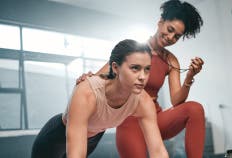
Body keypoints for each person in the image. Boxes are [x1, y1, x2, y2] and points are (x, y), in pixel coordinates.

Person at [77, 0, 205, 157]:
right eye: (169, 29)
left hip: (157, 119)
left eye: (176, 36)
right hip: (130, 119)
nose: (170, 37)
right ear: (160, 23)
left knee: (195, 109)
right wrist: (87, 79)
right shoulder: (133, 50)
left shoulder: (171, 60)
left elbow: (176, 101)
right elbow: (102, 77)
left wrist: (190, 77)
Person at [31, 39, 169, 158]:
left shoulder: (144, 102)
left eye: (147, 69)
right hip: (56, 136)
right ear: (115, 67)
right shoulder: (88, 93)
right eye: (135, 68)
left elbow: (158, 151)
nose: (143, 77)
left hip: (92, 139)